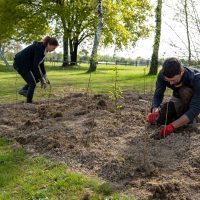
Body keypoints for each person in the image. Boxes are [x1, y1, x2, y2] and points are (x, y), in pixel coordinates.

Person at [147, 57, 200, 138]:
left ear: (182, 72)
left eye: (173, 80)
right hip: (177, 96)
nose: (171, 83)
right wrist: (155, 110)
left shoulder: (196, 78)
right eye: (167, 80)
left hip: (192, 100)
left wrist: (172, 126)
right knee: (160, 120)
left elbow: (195, 108)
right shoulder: (162, 75)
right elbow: (158, 95)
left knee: (184, 91)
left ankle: (191, 120)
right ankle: (179, 118)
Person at [13, 36, 59, 103]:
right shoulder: (39, 49)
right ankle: (29, 102)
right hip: (20, 64)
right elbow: (35, 66)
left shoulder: (44, 50)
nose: (54, 50)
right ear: (49, 44)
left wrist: (44, 76)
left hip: (26, 64)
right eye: (53, 47)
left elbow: (41, 64)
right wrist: (42, 79)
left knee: (36, 79)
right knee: (32, 83)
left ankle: (24, 90)